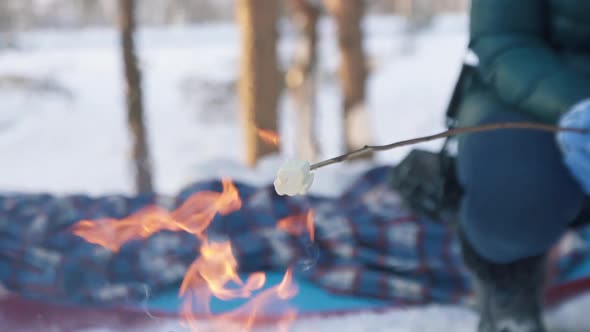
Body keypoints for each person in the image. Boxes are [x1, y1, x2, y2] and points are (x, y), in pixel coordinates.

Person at [450, 1, 590, 331]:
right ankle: (510, 284)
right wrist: (575, 106)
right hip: (531, 92)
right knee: (513, 194)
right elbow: (504, 36)